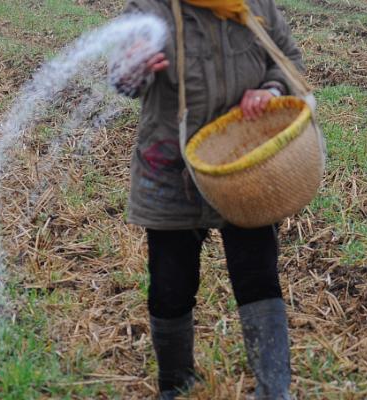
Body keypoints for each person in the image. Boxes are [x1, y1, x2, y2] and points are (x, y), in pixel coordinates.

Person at [112, 1, 305, 399]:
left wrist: (271, 89)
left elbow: (286, 58)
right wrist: (134, 70)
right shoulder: (150, 9)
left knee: (257, 275)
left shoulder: (255, 5)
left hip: (246, 164)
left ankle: (274, 391)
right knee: (170, 283)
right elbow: (122, 81)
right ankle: (176, 387)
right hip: (170, 168)